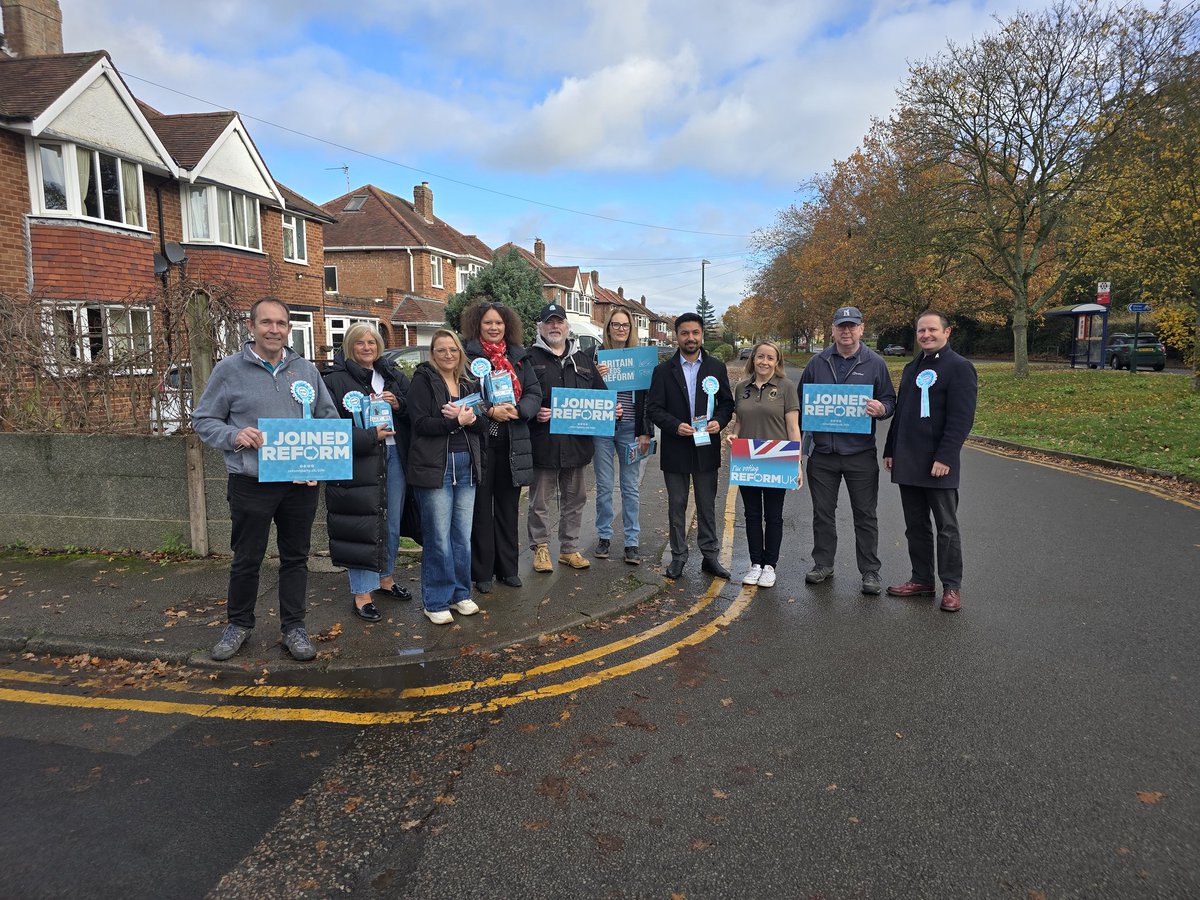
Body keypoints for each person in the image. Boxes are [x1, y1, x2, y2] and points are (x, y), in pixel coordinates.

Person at [193, 296, 338, 662]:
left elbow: (328, 420)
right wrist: (234, 435)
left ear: (289, 329)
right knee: (247, 558)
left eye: (281, 324)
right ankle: (238, 624)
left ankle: (294, 628)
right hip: (250, 481)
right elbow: (204, 420)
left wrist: (317, 465)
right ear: (251, 326)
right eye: (266, 323)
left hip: (298, 485)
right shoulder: (229, 370)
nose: (274, 330)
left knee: (295, 558)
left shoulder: (305, 370)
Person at [883, 310, 978, 613]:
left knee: (946, 527)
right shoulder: (913, 367)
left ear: (947, 332)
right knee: (916, 526)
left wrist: (946, 456)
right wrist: (890, 449)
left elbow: (961, 419)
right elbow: (903, 413)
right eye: (921, 331)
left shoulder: (960, 368)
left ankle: (951, 586)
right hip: (908, 460)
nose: (926, 335)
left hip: (938, 464)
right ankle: (922, 579)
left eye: (932, 330)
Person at [798, 306, 896, 595]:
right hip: (823, 455)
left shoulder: (875, 363)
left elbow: (890, 400)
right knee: (823, 513)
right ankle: (823, 564)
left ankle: (870, 572)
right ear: (832, 329)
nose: (847, 331)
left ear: (862, 329)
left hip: (860, 454)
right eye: (842, 326)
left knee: (865, 514)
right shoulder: (817, 363)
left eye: (852, 326)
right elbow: (801, 404)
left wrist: (882, 409)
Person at [322, 323, 412, 623]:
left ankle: (385, 578)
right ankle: (362, 593)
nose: (367, 347)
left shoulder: (390, 374)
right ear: (349, 346)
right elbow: (329, 428)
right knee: (362, 525)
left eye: (371, 342)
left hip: (394, 454)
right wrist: (368, 436)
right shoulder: (335, 380)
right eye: (359, 343)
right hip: (359, 460)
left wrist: (398, 403)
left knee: (392, 522)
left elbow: (414, 408)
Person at [406, 329, 487, 625]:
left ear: (460, 352)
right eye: (441, 350)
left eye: (453, 350)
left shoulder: (468, 382)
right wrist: (455, 422)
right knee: (438, 537)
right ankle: (436, 600)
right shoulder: (423, 381)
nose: (448, 355)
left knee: (462, 537)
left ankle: (460, 594)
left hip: (467, 465)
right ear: (433, 353)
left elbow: (483, 423)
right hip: (435, 467)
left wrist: (472, 419)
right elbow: (421, 424)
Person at [646, 312, 735, 580]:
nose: (690, 338)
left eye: (695, 333)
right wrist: (674, 426)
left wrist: (719, 422)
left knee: (707, 504)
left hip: (706, 445)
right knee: (677, 504)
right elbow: (654, 408)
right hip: (676, 446)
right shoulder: (662, 371)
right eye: (685, 333)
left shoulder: (716, 368)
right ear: (677, 336)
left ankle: (710, 556)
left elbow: (727, 404)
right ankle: (679, 557)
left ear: (702, 335)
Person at [462, 298, 542, 593]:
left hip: (513, 442)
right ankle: (482, 573)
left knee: (508, 509)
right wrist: (488, 410)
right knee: (481, 510)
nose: (494, 327)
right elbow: (463, 390)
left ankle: (508, 569)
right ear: (477, 326)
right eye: (488, 323)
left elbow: (534, 391)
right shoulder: (467, 355)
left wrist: (521, 410)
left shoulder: (520, 357)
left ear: (506, 326)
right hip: (482, 442)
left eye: (498, 323)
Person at [527, 302, 608, 573]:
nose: (554, 326)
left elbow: (600, 395)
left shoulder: (584, 361)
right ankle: (540, 548)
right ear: (540, 327)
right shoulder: (528, 360)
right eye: (549, 322)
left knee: (575, 500)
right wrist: (534, 411)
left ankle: (569, 549)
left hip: (577, 445)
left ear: (567, 326)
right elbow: (521, 399)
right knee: (540, 502)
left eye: (559, 321)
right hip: (544, 444)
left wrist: (613, 411)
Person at [730, 340, 802, 588]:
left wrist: (798, 463)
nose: (764, 362)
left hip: (777, 458)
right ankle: (755, 564)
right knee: (751, 514)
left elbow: (793, 427)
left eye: (770, 358)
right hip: (748, 459)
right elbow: (739, 422)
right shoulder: (742, 388)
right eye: (760, 356)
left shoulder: (786, 387)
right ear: (753, 359)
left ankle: (770, 566)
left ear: (777, 362)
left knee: (773, 515)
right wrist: (734, 435)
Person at [592, 307, 653, 565]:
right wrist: (596, 376)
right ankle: (604, 536)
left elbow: (649, 398)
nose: (620, 329)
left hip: (631, 429)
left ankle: (632, 542)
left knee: (630, 487)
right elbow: (584, 392)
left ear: (631, 329)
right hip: (603, 430)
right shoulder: (594, 356)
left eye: (625, 325)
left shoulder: (640, 358)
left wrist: (645, 431)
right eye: (615, 325)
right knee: (604, 486)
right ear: (608, 328)